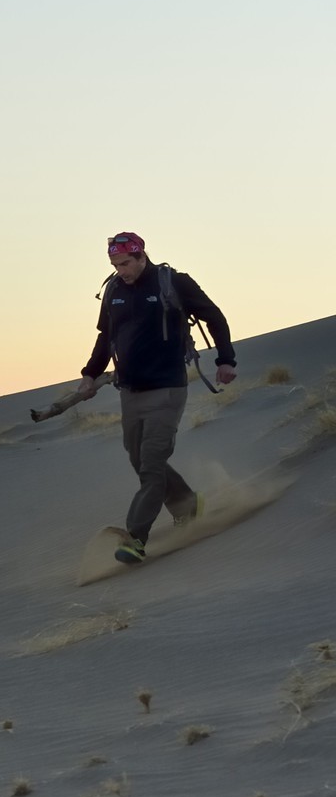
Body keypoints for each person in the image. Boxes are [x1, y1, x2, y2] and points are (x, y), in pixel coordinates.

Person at [77, 231, 237, 564]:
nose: (121, 270)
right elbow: (106, 338)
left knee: (150, 466)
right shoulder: (114, 291)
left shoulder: (172, 282)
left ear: (141, 256)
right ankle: (187, 504)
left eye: (125, 263)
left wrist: (226, 359)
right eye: (114, 264)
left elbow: (215, 316)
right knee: (140, 460)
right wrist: (90, 375)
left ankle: (135, 538)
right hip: (130, 391)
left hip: (167, 387)